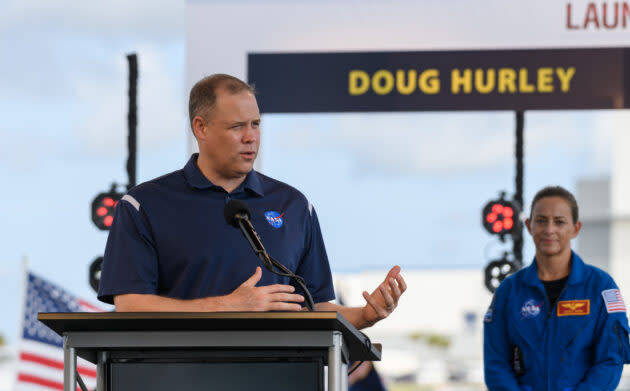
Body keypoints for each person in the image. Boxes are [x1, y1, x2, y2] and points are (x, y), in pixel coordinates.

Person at [97, 74, 406, 330]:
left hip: (278, 390)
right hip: (178, 387)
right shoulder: (144, 205)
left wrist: (365, 316)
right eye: (237, 127)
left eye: (255, 124)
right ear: (200, 128)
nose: (251, 137)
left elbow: (315, 307)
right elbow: (130, 305)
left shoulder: (293, 205)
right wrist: (227, 306)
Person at [484, 186, 630, 391]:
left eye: (559, 222)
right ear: (529, 225)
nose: (549, 230)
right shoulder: (509, 292)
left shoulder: (601, 287)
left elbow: (611, 359)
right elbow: (495, 362)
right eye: (541, 221)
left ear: (575, 228)